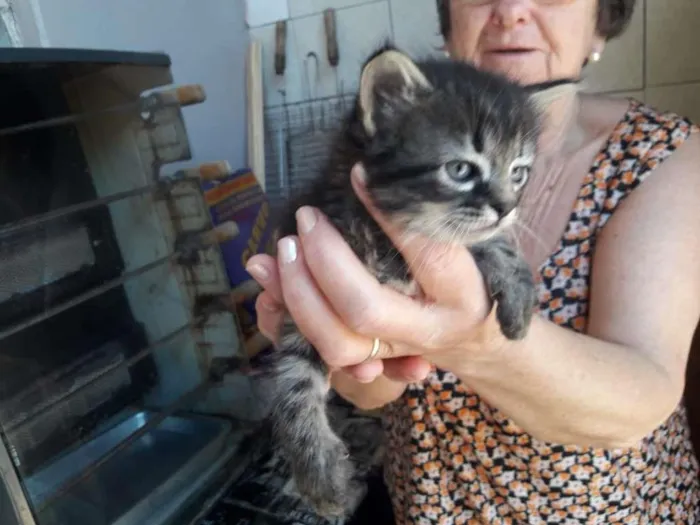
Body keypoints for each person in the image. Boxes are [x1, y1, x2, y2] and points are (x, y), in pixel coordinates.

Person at [246, 0, 700, 521]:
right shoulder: (377, 191)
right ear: (448, 22)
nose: (511, 9)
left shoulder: (663, 156)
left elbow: (644, 400)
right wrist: (346, 348)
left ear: (602, 19)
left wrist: (475, 344)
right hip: (429, 506)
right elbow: (376, 389)